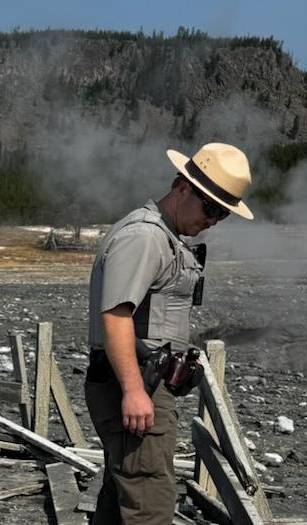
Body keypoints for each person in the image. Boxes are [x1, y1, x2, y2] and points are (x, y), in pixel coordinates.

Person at [85, 143, 254, 524]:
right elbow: (115, 315)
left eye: (222, 213)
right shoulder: (145, 237)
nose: (213, 219)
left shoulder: (163, 236)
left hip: (144, 382)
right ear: (182, 188)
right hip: (136, 383)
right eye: (210, 207)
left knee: (123, 493)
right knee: (150, 502)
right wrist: (132, 391)